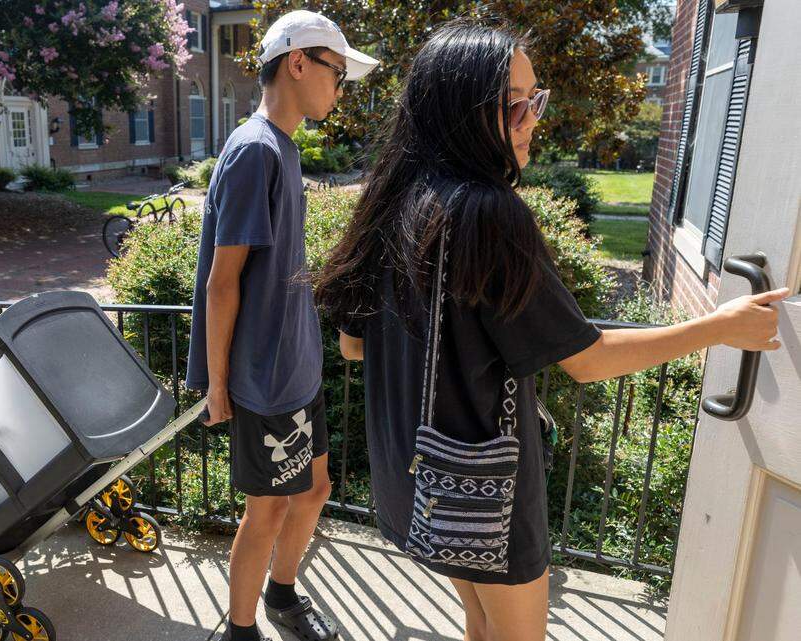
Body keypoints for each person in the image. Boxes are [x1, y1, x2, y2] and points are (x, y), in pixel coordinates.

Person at [314, 20, 787, 641]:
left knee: (480, 624)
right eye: (517, 105)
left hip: (421, 479)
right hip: (485, 488)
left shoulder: (397, 198)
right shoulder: (487, 213)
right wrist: (720, 327)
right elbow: (586, 360)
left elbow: (353, 344)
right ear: (464, 113)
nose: (534, 118)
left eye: (537, 101)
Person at [186, 10, 379, 641]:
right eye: (337, 72)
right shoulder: (254, 153)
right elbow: (222, 282)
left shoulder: (284, 149)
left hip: (297, 368)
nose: (340, 87)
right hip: (263, 379)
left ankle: (283, 594)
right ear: (298, 63)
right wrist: (217, 385)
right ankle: (242, 631)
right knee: (264, 510)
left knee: (316, 488)